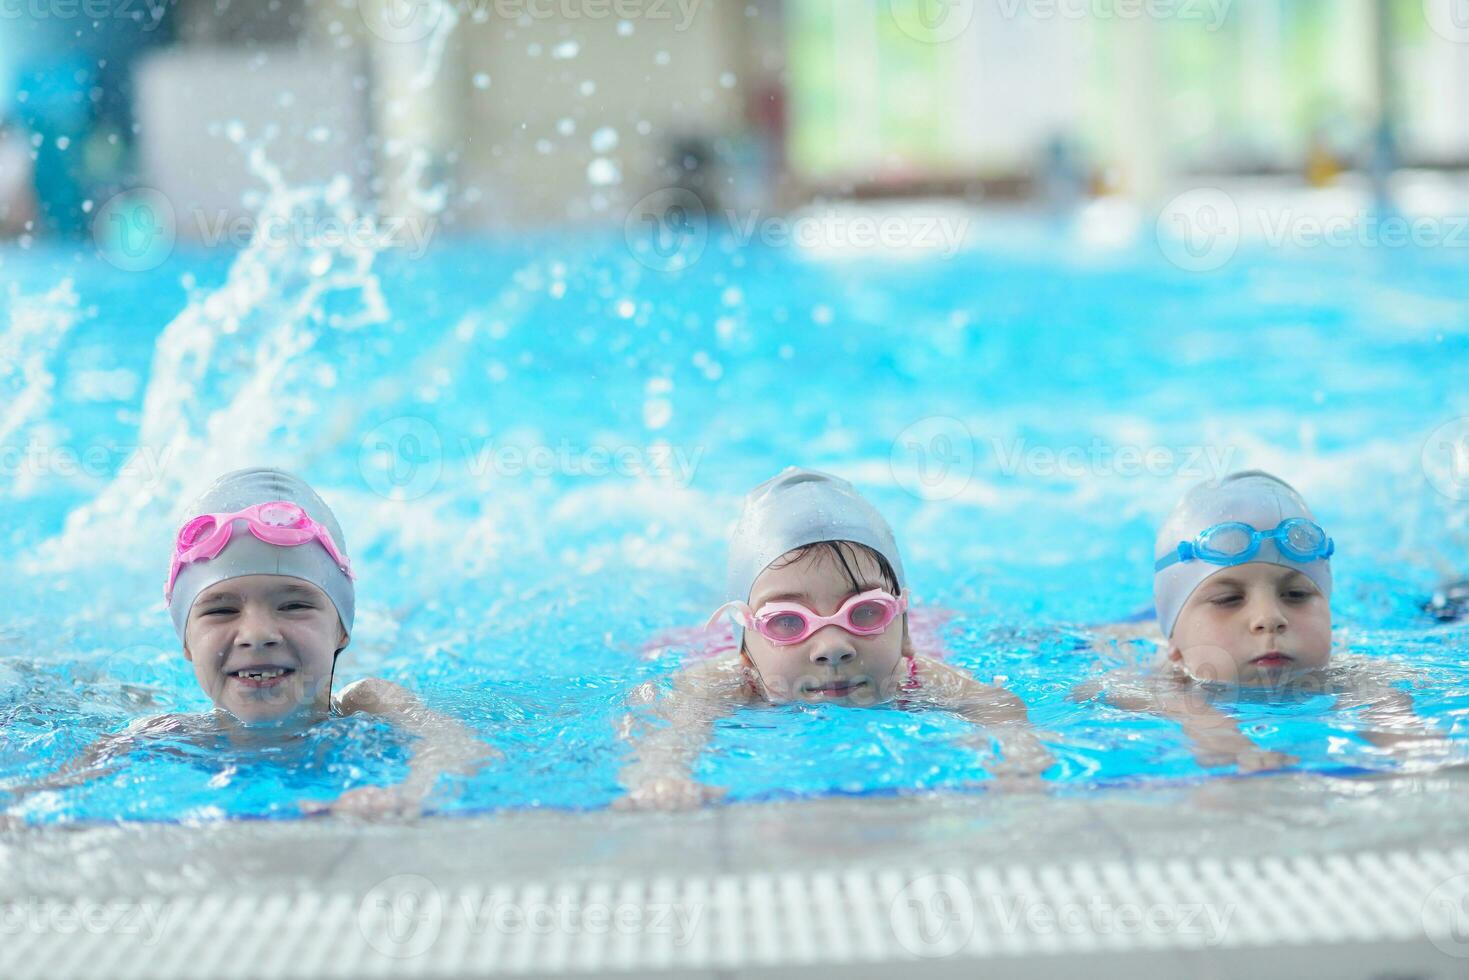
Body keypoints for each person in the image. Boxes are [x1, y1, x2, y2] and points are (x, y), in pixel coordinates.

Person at [3, 468, 494, 821]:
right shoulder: (166, 734)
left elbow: (458, 748)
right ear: (187, 644)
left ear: (343, 628)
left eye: (294, 604)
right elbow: (50, 788)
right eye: (220, 610)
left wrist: (411, 792)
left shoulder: (369, 703)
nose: (257, 632)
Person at [617, 467, 1053, 810]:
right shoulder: (723, 683)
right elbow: (670, 727)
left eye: (865, 612)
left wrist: (1018, 762)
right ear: (746, 649)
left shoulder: (916, 678)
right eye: (787, 621)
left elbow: (998, 707)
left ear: (904, 631)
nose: (833, 647)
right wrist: (663, 778)